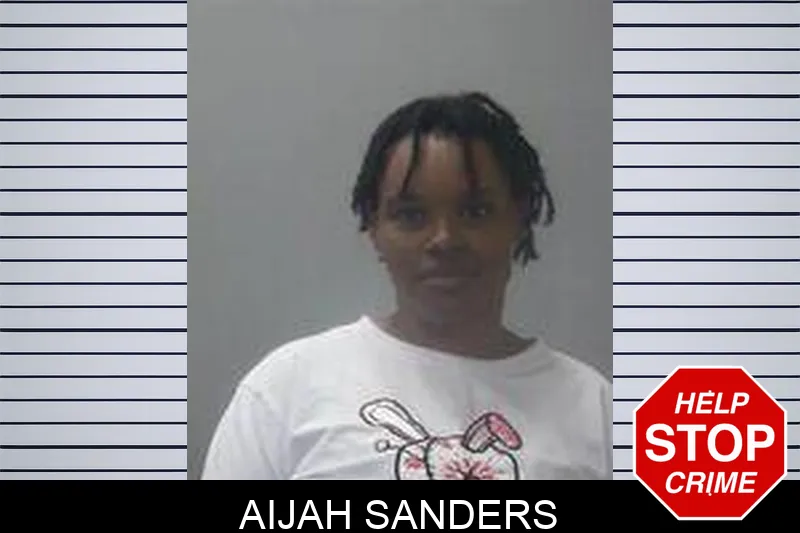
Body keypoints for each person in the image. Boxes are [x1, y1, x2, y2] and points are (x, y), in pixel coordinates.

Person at [201, 91, 612, 480]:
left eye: (476, 211)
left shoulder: (596, 409)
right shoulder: (285, 389)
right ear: (374, 228)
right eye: (412, 215)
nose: (445, 240)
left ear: (520, 221)